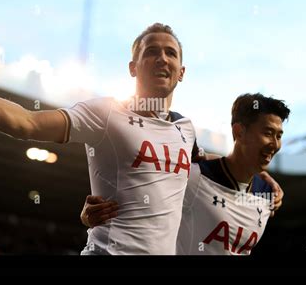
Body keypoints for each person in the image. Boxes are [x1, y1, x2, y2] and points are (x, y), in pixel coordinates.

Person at [0, 23, 282, 255]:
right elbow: (27, 123)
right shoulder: (105, 113)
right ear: (133, 67)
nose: (162, 58)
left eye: (171, 53)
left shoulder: (184, 129)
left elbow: (217, 171)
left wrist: (262, 178)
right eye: (151, 51)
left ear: (182, 72)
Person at [81, 93, 290, 255]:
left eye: (279, 135)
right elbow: (139, 200)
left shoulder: (268, 195)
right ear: (238, 132)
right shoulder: (193, 177)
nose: (275, 144)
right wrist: (93, 216)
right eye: (267, 133)